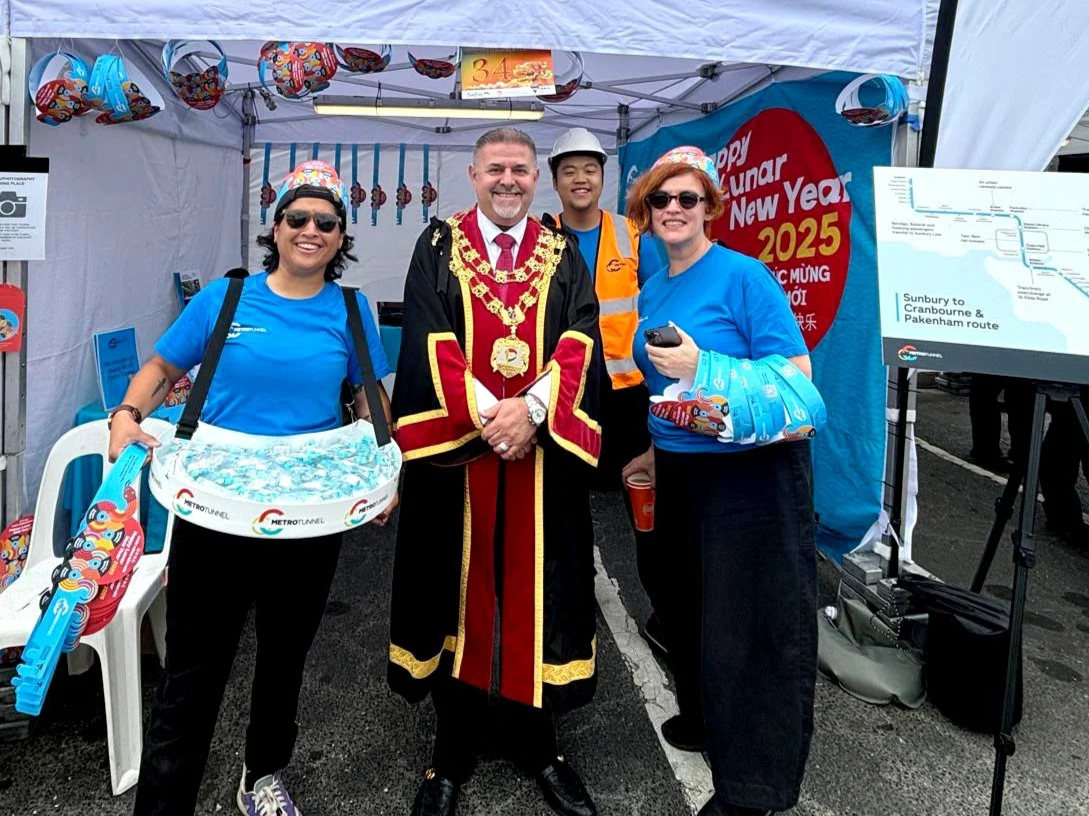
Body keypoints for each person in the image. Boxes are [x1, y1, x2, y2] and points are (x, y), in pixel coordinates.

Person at [111, 160, 394, 816]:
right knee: (193, 669)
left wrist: (384, 470)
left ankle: (262, 774)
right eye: (298, 217)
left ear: (340, 235)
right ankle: (164, 800)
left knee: (283, 657)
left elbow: (369, 399)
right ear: (276, 224)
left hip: (308, 516)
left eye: (326, 222)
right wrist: (125, 416)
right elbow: (160, 366)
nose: (310, 230)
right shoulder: (225, 298)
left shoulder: (351, 311)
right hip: (215, 507)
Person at [388, 128, 604, 816]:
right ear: (473, 175)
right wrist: (492, 417)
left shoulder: (562, 252)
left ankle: (538, 742)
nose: (507, 181)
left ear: (534, 177)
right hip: (458, 458)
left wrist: (532, 413)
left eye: (519, 170)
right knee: (455, 590)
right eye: (495, 170)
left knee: (537, 592)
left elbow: (580, 338)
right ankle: (450, 748)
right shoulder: (436, 247)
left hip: (541, 461)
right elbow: (429, 339)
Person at [621, 147, 818, 816]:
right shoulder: (655, 288)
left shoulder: (743, 277)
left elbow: (797, 380)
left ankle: (752, 790)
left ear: (710, 208)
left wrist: (704, 363)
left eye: (687, 199)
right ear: (643, 213)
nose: (673, 210)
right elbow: (664, 392)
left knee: (752, 627)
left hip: (749, 477)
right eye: (660, 200)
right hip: (679, 471)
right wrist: (654, 450)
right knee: (686, 609)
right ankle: (705, 720)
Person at [543, 127, 668, 658]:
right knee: (561, 502)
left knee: (644, 503)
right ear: (555, 181)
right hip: (563, 393)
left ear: (603, 177)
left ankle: (665, 611)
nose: (580, 178)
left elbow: (663, 305)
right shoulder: (537, 235)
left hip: (625, 394)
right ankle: (561, 597)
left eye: (590, 168)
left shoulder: (633, 234)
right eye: (569, 169)